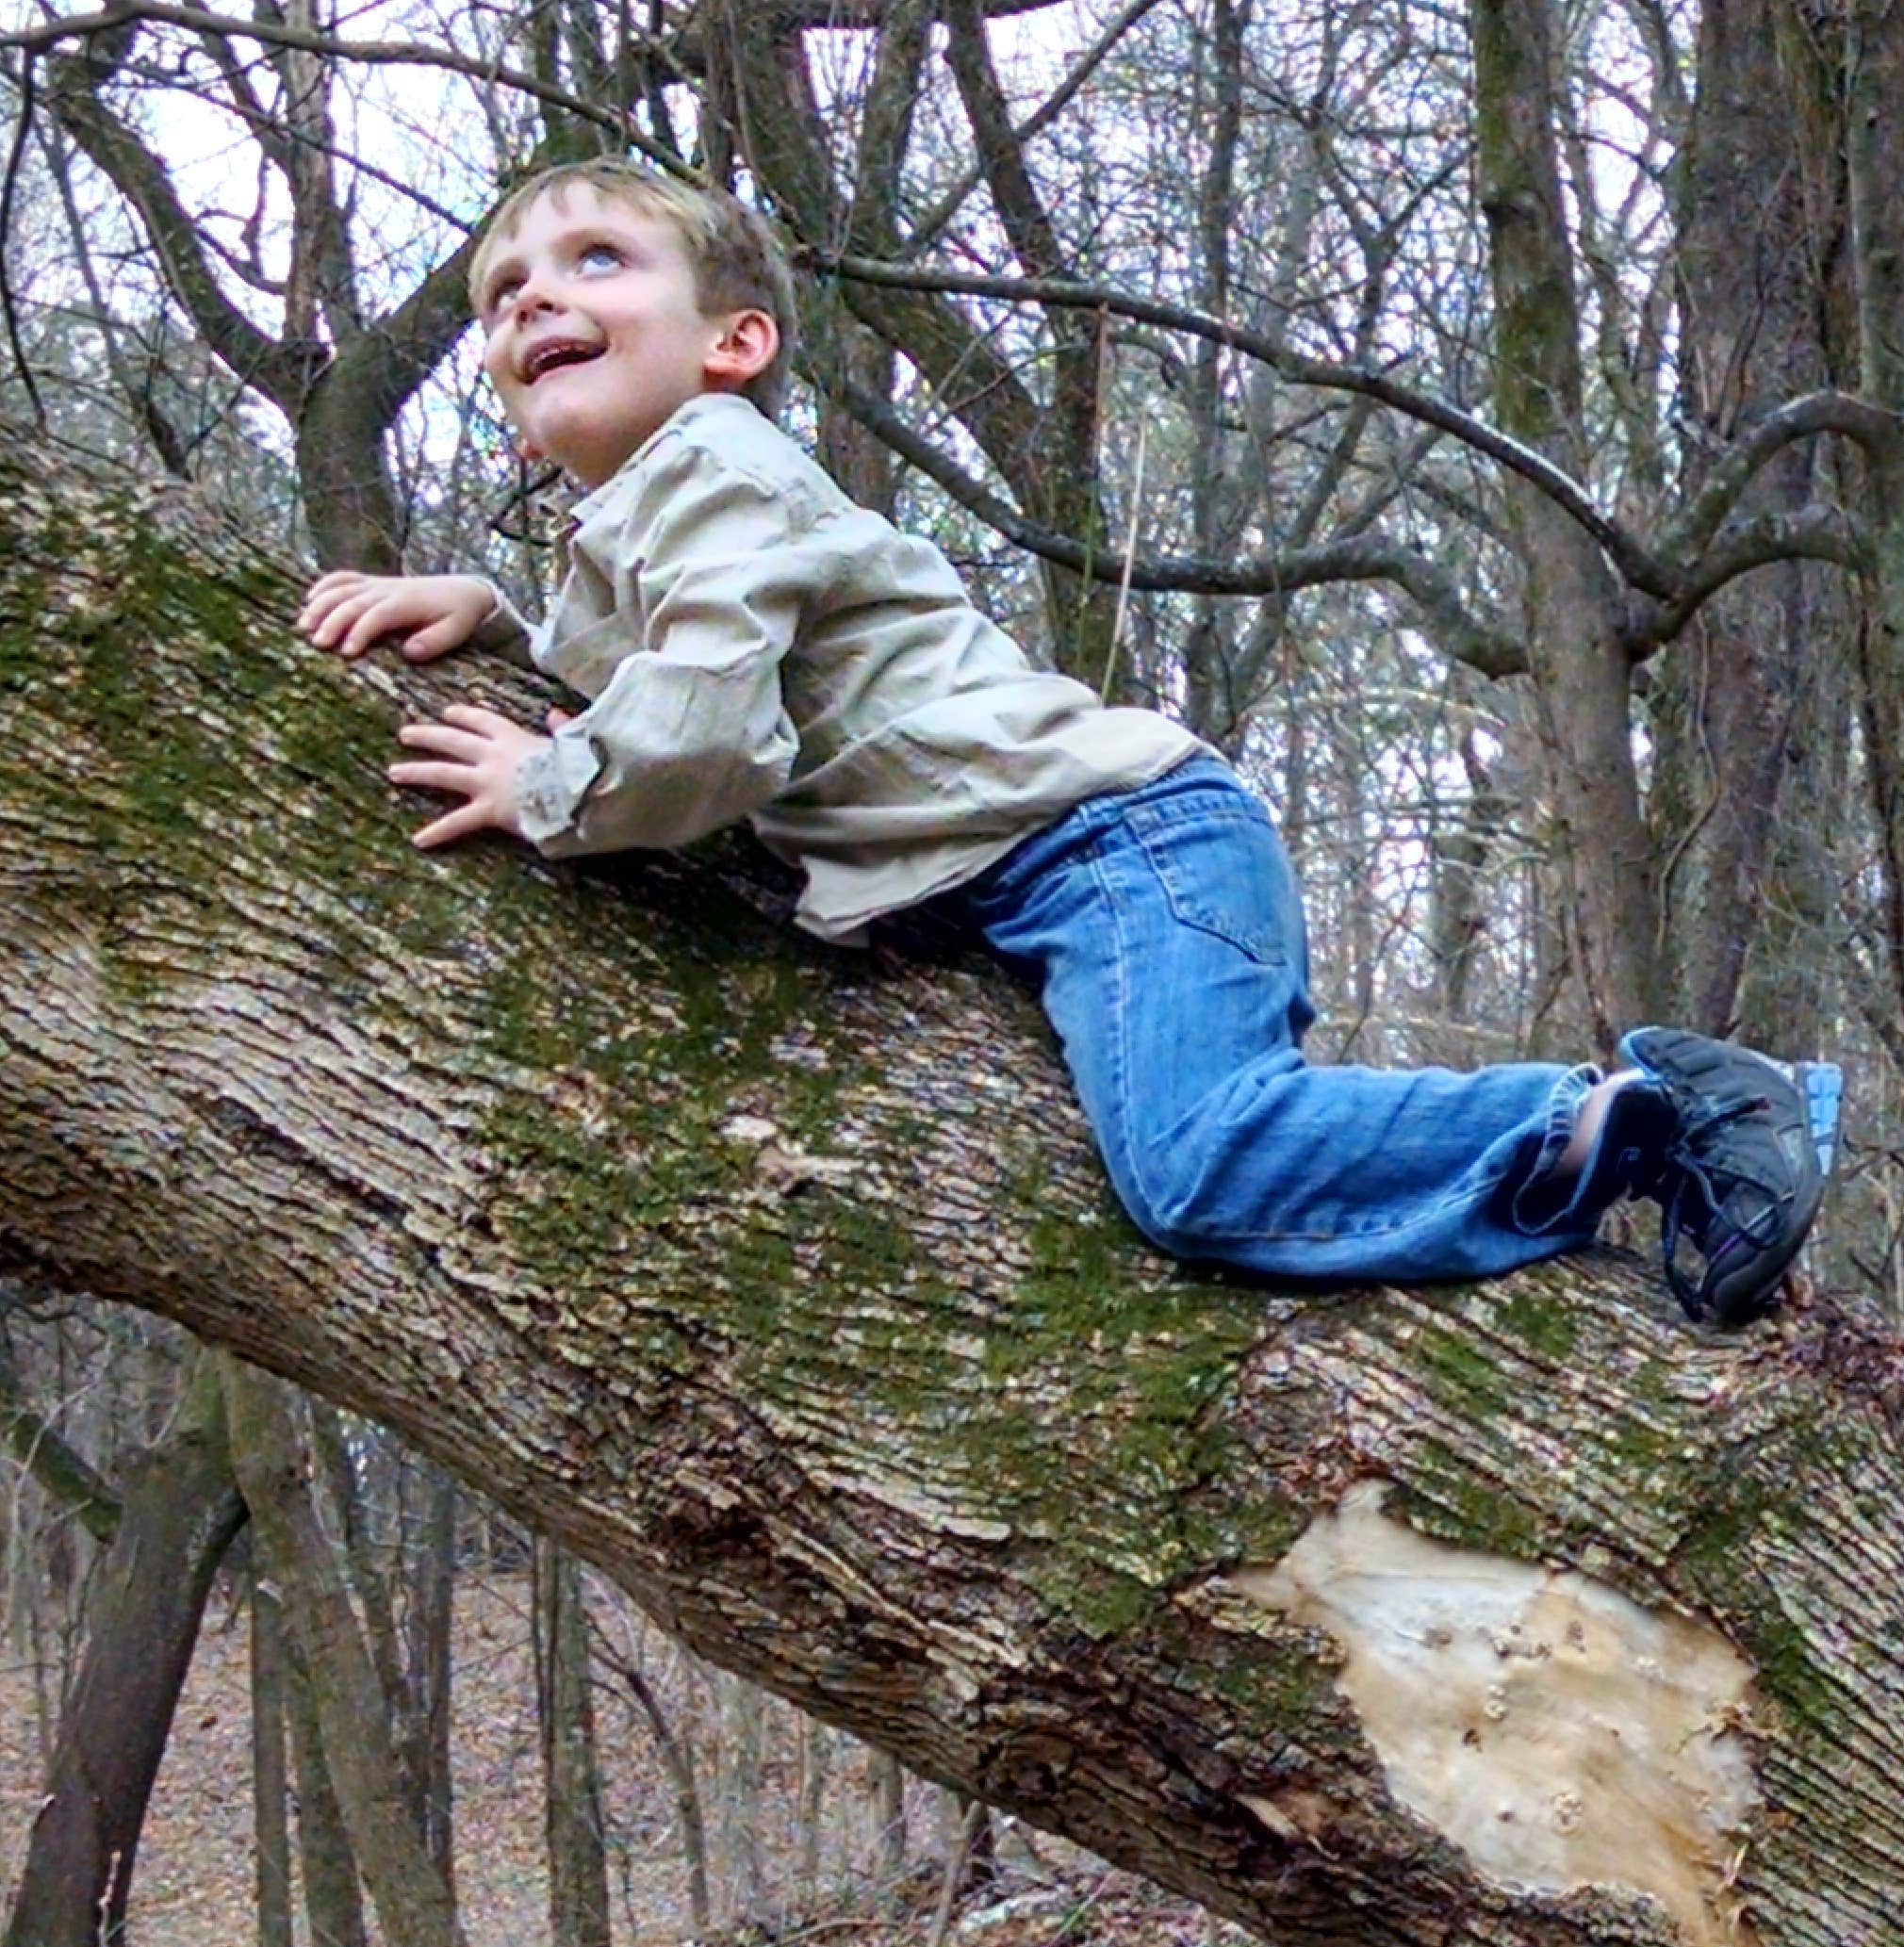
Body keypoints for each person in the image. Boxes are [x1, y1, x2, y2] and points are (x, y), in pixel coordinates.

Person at [296, 159, 1822, 1325]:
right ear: (508, 410)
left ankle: (1665, 1111)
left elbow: (704, 732)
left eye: (596, 261)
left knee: (1201, 1160)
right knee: (1203, 1159)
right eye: (503, 294)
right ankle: (1598, 1137)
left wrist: (545, 785)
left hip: (1117, 845)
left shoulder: (716, 469)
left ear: (735, 343)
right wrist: (500, 613)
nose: (533, 301)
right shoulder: (660, 519)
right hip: (1077, 864)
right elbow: (676, 662)